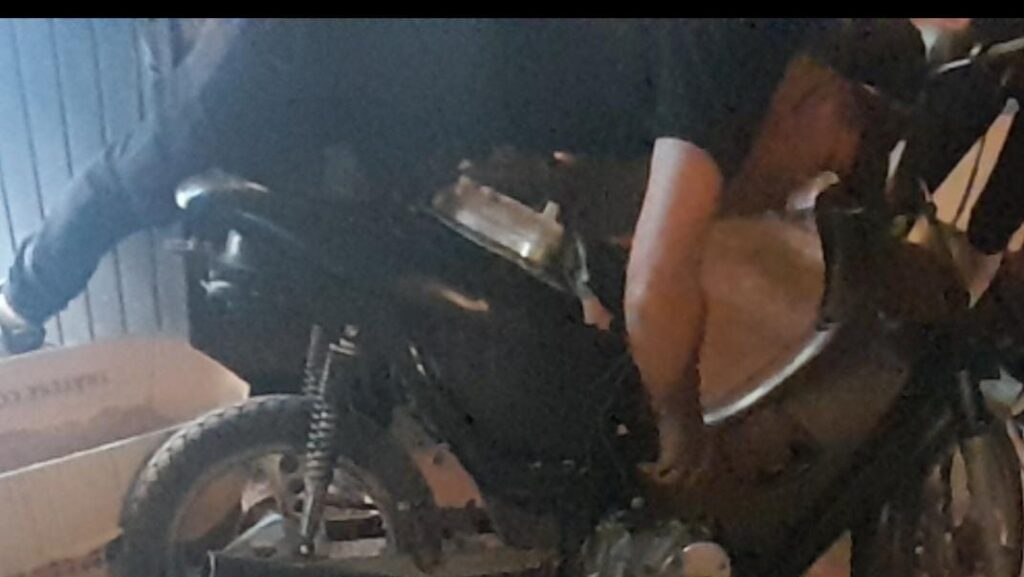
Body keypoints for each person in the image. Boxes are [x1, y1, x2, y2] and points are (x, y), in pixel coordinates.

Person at [0, 18, 928, 481]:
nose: (807, 184)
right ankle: (19, 301)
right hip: (307, 47)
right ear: (828, 99)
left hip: (419, 93)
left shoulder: (753, 56)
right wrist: (685, 424)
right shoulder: (740, 50)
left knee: (420, 268)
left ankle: (394, 448)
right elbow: (657, 283)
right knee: (142, 171)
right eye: (829, 159)